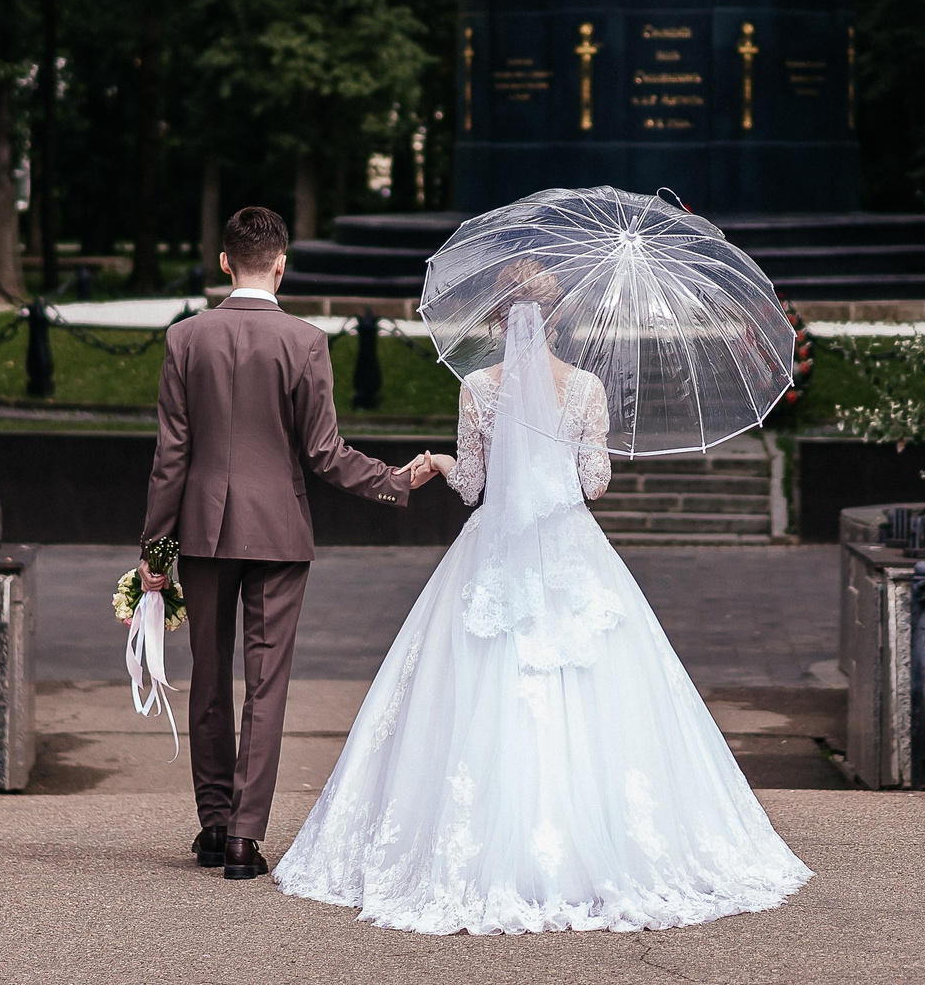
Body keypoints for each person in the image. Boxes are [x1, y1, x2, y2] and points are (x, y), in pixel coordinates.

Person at [272, 259, 813, 934]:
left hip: (495, 548)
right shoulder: (584, 387)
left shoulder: (477, 387)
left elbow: (471, 485)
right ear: (555, 320)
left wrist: (439, 462)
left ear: (501, 318)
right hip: (569, 552)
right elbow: (594, 483)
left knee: (473, 684)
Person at [136, 206, 447, 884]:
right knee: (266, 687)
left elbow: (171, 457)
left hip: (205, 531)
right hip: (279, 531)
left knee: (210, 679)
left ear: (224, 262)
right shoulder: (306, 341)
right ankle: (247, 839)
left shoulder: (186, 338)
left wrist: (155, 552)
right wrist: (395, 480)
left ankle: (214, 824)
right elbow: (326, 454)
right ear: (282, 263)